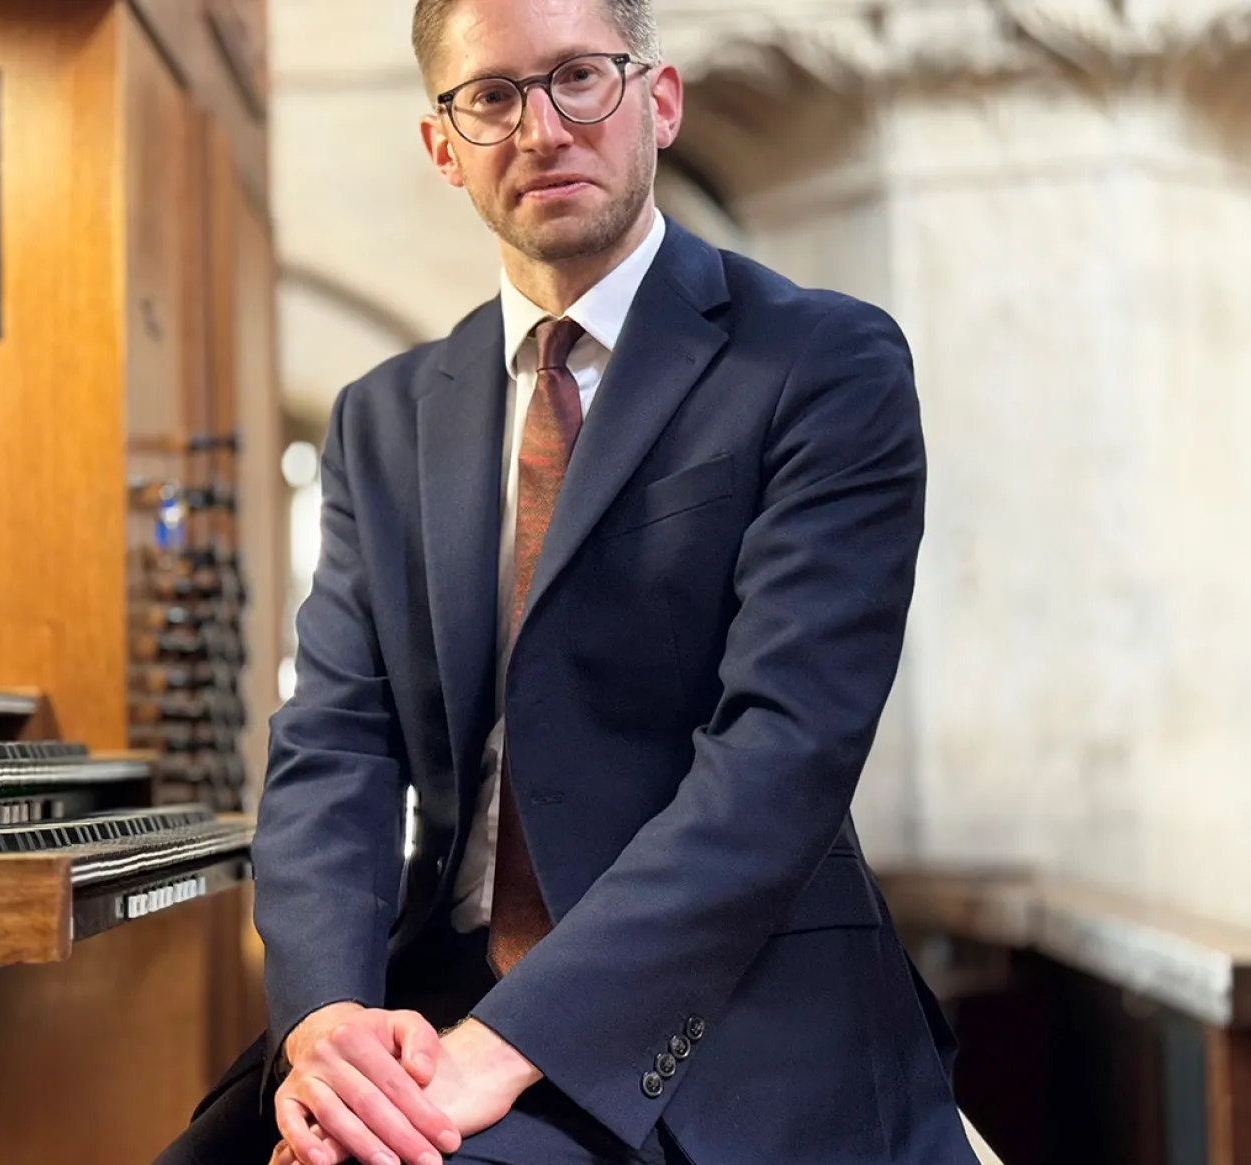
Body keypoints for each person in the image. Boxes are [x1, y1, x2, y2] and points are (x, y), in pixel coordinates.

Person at [155, 0, 985, 1161]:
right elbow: (332, 747)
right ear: (443, 146)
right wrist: (329, 1022)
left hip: (717, 1006)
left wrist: (495, 1051)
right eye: (490, 96)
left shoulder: (820, 362)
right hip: (428, 992)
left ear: (659, 100)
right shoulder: (382, 419)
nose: (540, 127)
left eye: (578, 78)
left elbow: (780, 756)